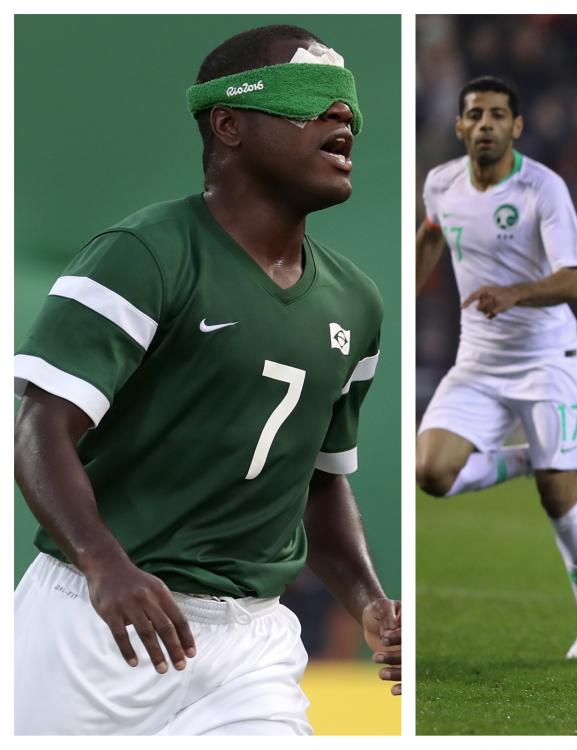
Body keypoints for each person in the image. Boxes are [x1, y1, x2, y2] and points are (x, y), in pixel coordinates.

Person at [13, 25, 401, 735]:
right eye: (312, 100)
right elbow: (38, 425)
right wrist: (104, 564)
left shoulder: (358, 303)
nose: (343, 116)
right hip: (93, 624)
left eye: (348, 104)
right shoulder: (142, 255)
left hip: (251, 643)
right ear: (229, 123)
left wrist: (369, 599)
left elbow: (318, 478)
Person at [415, 77, 577, 660]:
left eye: (497, 115)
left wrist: (514, 293)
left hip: (550, 361)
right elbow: (432, 234)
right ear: (460, 126)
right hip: (477, 363)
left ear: (515, 127)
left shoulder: (542, 188)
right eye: (474, 114)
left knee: (560, 498)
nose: (485, 124)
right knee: (430, 473)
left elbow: (574, 278)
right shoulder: (441, 183)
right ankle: (537, 457)